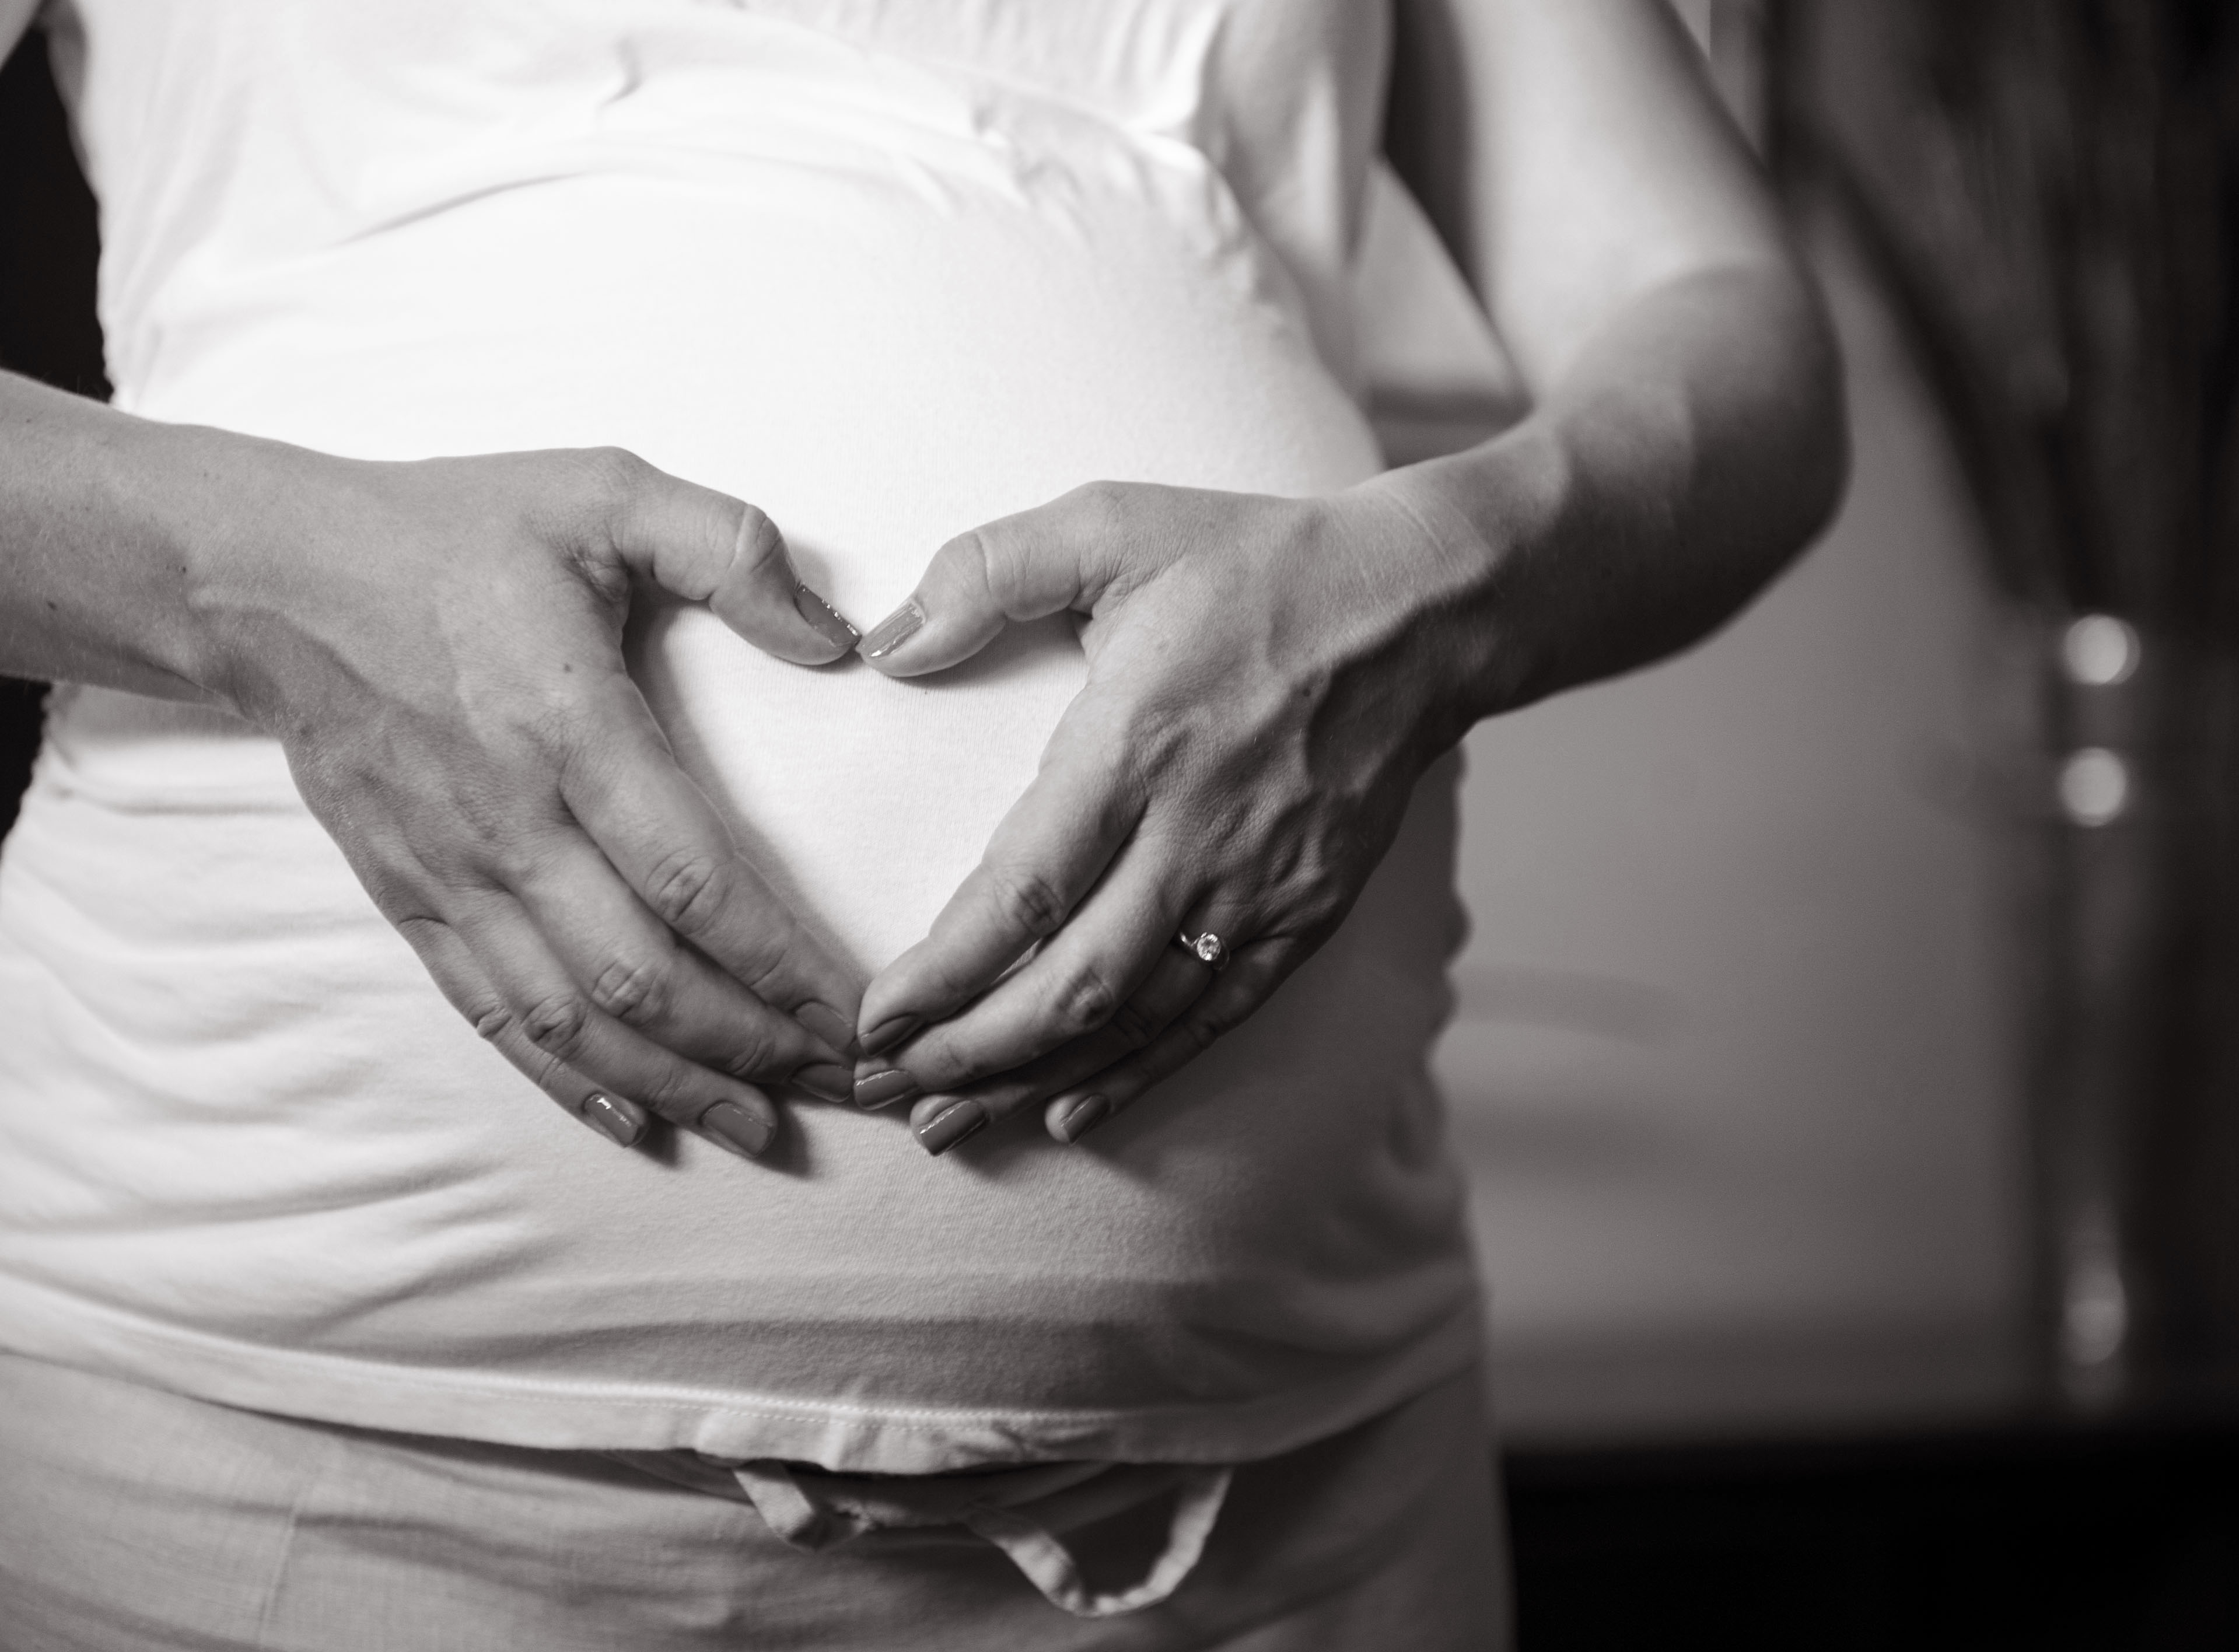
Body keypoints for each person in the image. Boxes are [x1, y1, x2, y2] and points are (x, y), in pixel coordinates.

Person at [0, 0, 1844, 1645]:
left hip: (1284, 1518)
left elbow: (1725, 335)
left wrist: (1433, 589)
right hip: (283, 1490)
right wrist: (271, 589)